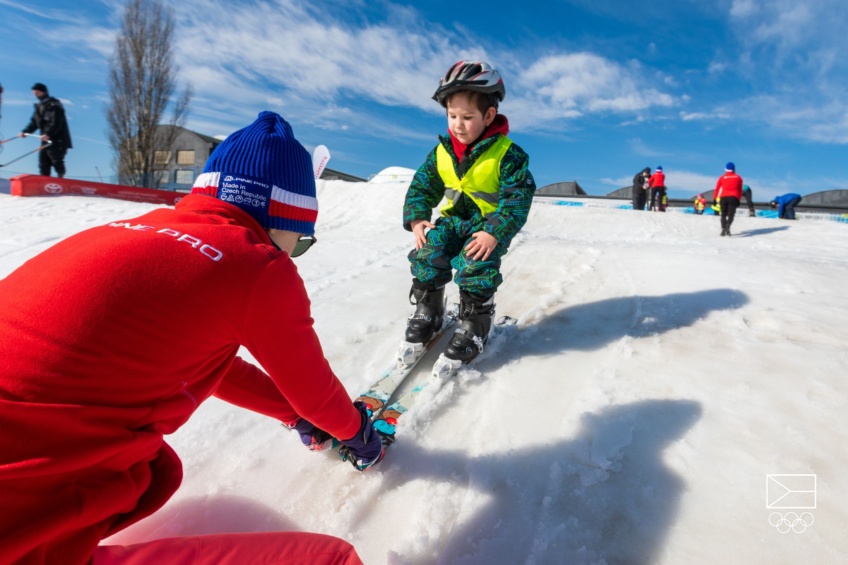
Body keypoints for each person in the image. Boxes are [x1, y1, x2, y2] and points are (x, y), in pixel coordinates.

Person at [0, 111, 380, 564]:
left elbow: (195, 364)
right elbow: (315, 393)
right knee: (331, 561)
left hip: (21, 474)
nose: (295, 253)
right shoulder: (257, 264)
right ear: (282, 218)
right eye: (301, 240)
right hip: (18, 518)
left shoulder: (123, 234)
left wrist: (292, 414)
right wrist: (359, 435)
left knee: (156, 470)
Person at [402, 60, 535, 365]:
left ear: (489, 116)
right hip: (452, 222)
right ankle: (429, 311)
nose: (458, 124)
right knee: (428, 253)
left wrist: (494, 231)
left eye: (467, 117)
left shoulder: (508, 155)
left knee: (475, 264)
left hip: (486, 228)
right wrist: (417, 217)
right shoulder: (441, 152)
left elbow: (518, 198)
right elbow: (422, 186)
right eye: (452, 116)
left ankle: (476, 323)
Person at [19, 82, 73, 178]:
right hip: (45, 139)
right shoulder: (39, 107)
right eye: (34, 94)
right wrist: (25, 132)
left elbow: (56, 122)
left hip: (57, 139)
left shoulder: (54, 105)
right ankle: (45, 181)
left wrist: (48, 133)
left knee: (56, 160)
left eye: (37, 93)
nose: (36, 96)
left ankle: (61, 179)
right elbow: (34, 123)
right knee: (43, 161)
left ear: (43, 92)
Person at [714, 162, 743, 236]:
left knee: (723, 214)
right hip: (733, 197)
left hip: (723, 197)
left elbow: (717, 189)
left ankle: (723, 229)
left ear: (726, 169)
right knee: (731, 214)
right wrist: (738, 199)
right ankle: (728, 225)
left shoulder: (722, 177)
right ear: (734, 169)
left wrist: (715, 198)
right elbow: (740, 190)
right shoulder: (738, 177)